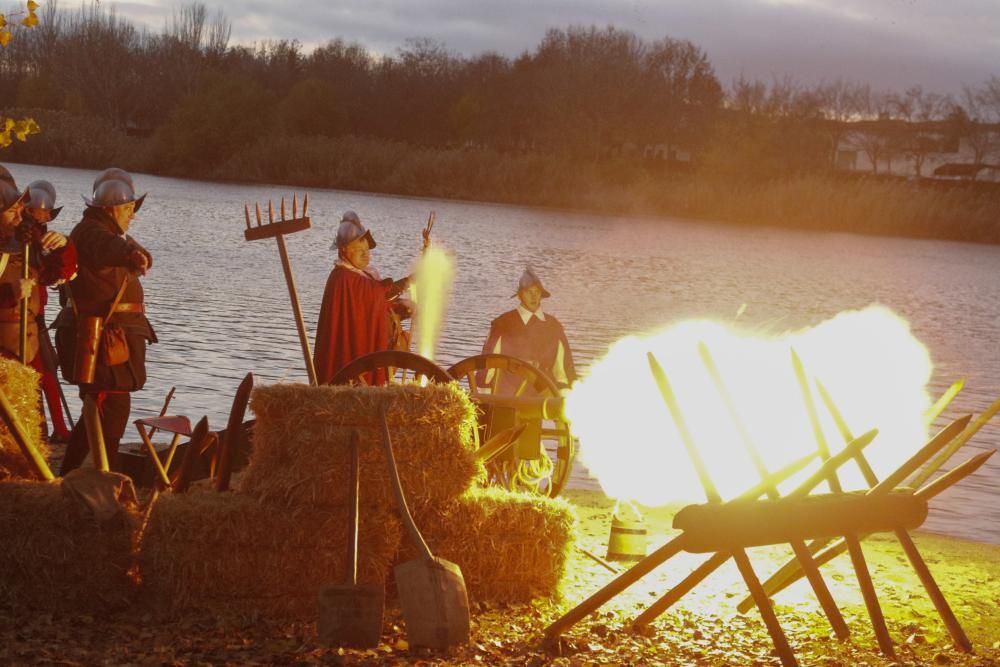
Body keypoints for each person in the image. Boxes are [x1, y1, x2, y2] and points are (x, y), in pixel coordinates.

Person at [54, 173, 155, 474]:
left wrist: (136, 253)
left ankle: (76, 479)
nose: (132, 216)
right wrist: (131, 254)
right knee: (108, 412)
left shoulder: (98, 231)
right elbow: (109, 248)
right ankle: (101, 482)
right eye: (127, 209)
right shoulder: (92, 233)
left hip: (107, 342)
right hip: (102, 344)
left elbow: (123, 249)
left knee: (100, 416)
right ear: (111, 209)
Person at [313, 210, 411, 385]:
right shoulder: (342, 278)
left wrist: (400, 306)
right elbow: (375, 295)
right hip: (347, 356)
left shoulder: (363, 276)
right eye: (360, 251)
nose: (366, 255)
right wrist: (405, 283)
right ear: (345, 251)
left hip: (359, 350)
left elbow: (375, 302)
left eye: (367, 250)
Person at [0, 175, 77, 370]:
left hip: (27, 340)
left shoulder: (26, 240)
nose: (20, 218)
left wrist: (64, 247)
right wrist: (10, 293)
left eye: (20, 210)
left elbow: (54, 274)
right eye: (12, 212)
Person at [22, 179, 74, 442]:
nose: (43, 216)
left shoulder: (43, 239)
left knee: (47, 372)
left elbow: (61, 273)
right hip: (20, 317)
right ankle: (44, 430)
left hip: (35, 315)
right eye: (38, 211)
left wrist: (64, 247)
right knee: (38, 373)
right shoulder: (18, 237)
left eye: (45, 213)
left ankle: (56, 429)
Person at [480, 267, 577, 392]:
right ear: (520, 296)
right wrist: (486, 398)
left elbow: (562, 371)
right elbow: (489, 366)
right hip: (508, 398)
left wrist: (565, 396)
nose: (533, 296)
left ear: (542, 295)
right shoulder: (502, 324)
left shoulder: (554, 327)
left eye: (537, 292)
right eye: (528, 292)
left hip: (543, 399)